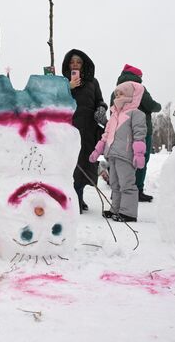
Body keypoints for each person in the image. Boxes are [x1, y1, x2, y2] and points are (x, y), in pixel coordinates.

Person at [89, 82, 147, 222]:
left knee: (127, 183)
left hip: (126, 155)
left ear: (130, 95)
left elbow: (139, 134)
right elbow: (106, 135)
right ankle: (116, 209)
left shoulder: (136, 114)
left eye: (121, 93)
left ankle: (128, 213)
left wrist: (139, 154)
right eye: (116, 94)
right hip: (112, 155)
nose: (118, 96)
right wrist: (98, 150)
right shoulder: (114, 115)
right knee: (114, 184)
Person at [62, 49, 108, 214]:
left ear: (84, 64)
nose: (75, 64)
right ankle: (74, 200)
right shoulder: (62, 82)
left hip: (88, 129)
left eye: (78, 62)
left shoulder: (92, 82)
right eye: (72, 62)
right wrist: (68, 87)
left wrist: (101, 109)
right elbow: (54, 100)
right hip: (69, 128)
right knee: (72, 165)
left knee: (85, 163)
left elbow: (100, 101)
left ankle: (78, 197)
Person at [110, 64, 161, 202]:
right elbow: (152, 105)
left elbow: (112, 111)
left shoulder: (116, 91)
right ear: (137, 76)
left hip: (121, 132)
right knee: (141, 159)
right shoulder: (139, 89)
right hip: (142, 131)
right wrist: (158, 107)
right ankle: (137, 190)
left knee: (122, 160)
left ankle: (118, 190)